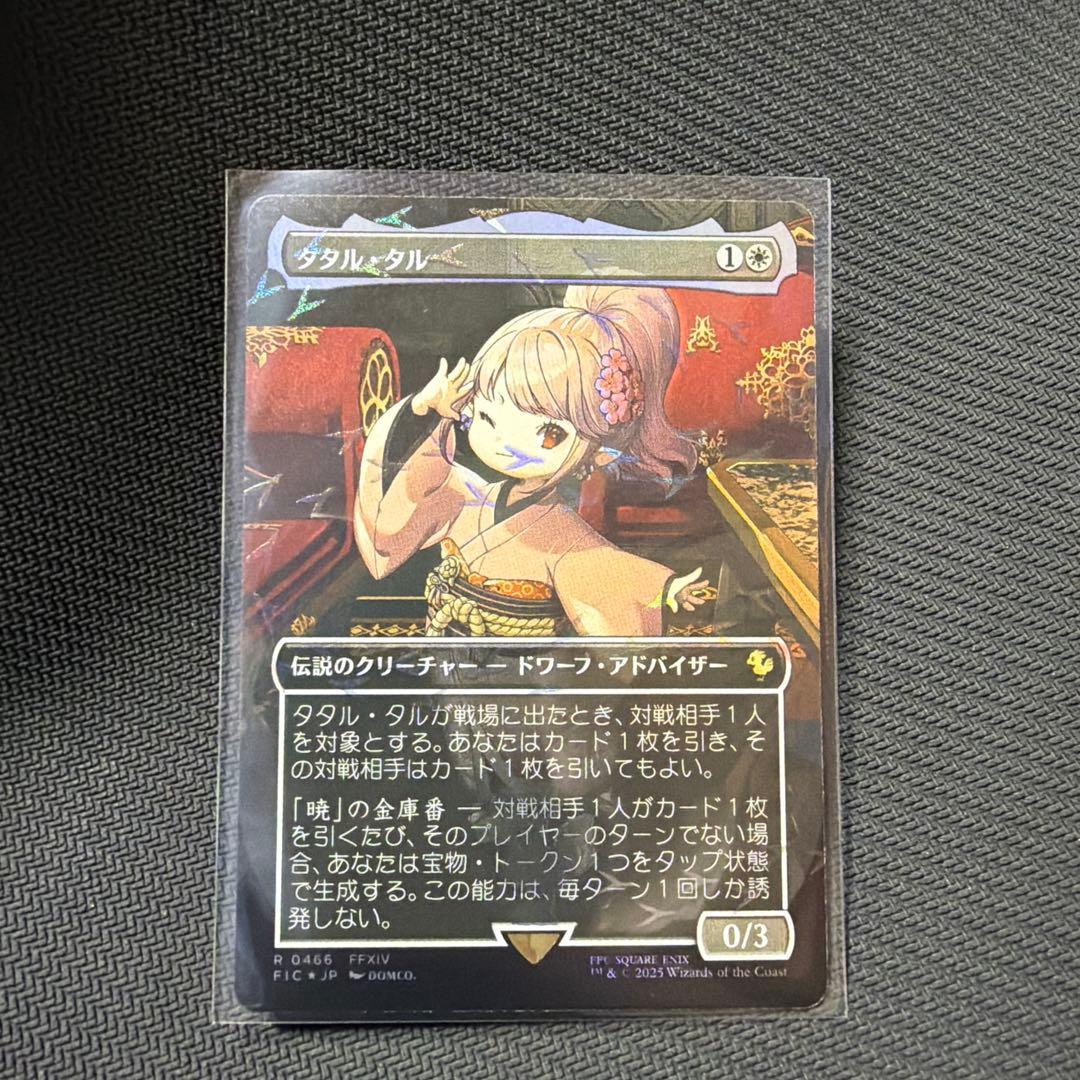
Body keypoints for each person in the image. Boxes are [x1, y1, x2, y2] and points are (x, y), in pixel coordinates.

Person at [354, 285, 708, 636]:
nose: (506, 444)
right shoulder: (466, 495)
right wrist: (422, 412)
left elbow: (605, 568)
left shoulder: (564, 535)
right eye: (487, 418)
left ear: (598, 448)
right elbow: (399, 515)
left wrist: (663, 589)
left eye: (550, 434)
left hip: (520, 658)